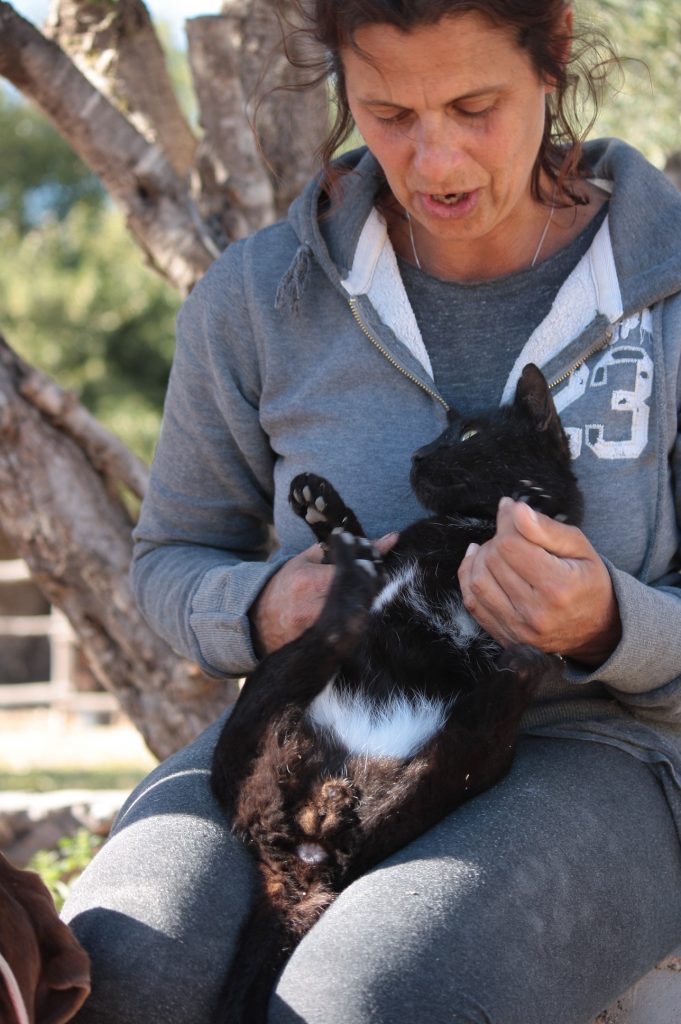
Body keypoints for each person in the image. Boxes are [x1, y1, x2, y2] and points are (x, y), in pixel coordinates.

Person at [62, 2, 681, 1022]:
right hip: (308, 730)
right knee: (127, 976)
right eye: (388, 112)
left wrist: (610, 622)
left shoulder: (664, 287)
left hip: (602, 753)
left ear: (553, 57)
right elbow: (172, 555)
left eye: (474, 105)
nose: (432, 158)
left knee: (362, 997)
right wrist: (263, 608)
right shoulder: (258, 296)